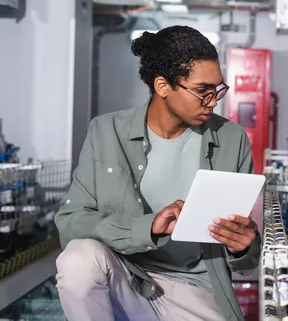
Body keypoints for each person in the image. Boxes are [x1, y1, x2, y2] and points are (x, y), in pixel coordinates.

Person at [54, 26, 260, 321]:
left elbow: (245, 263)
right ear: (163, 86)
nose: (213, 101)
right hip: (125, 279)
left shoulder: (231, 138)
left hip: (195, 287)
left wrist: (244, 246)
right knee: (78, 260)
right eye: (202, 91)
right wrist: (148, 227)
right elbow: (71, 223)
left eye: (217, 90)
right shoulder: (106, 132)